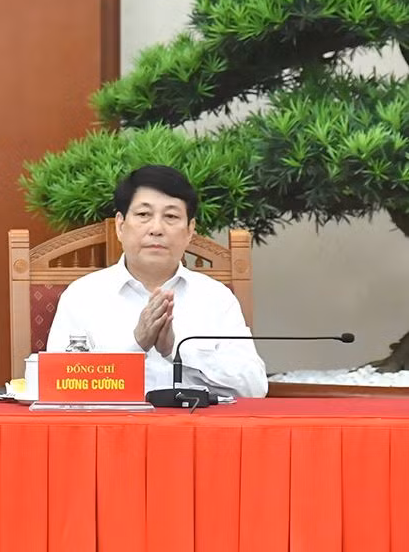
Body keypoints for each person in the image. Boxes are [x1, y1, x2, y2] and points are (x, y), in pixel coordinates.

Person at [44, 164, 266, 398]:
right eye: (143, 215)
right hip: (111, 431)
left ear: (190, 230)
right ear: (120, 226)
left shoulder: (215, 298)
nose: (156, 229)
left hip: (195, 431)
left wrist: (176, 350)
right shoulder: (83, 295)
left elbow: (253, 388)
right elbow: (57, 385)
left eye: (170, 216)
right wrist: (136, 344)